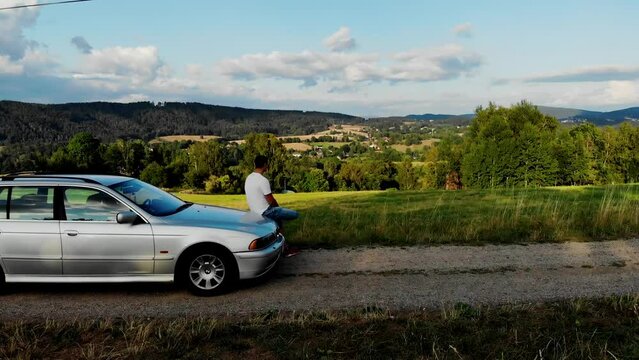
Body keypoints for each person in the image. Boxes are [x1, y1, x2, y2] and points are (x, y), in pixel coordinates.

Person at [244, 155, 299, 256]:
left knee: (278, 222)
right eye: (267, 164)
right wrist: (278, 208)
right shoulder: (263, 180)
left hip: (254, 211)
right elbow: (271, 200)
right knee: (295, 214)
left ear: (255, 164)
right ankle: (285, 249)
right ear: (265, 165)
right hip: (266, 211)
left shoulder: (249, 178)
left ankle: (283, 246)